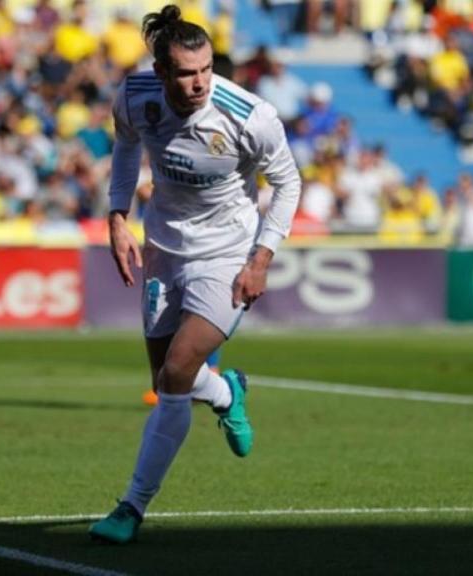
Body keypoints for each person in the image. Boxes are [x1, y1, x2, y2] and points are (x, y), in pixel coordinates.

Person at [89, 5, 301, 544]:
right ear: (162, 71)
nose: (200, 82)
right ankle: (227, 393)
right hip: (164, 250)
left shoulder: (249, 116)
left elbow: (289, 184)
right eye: (186, 73)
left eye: (206, 68)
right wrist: (117, 218)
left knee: (178, 371)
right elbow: (126, 148)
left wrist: (261, 259)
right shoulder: (135, 97)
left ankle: (131, 507)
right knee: (166, 381)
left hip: (227, 255)